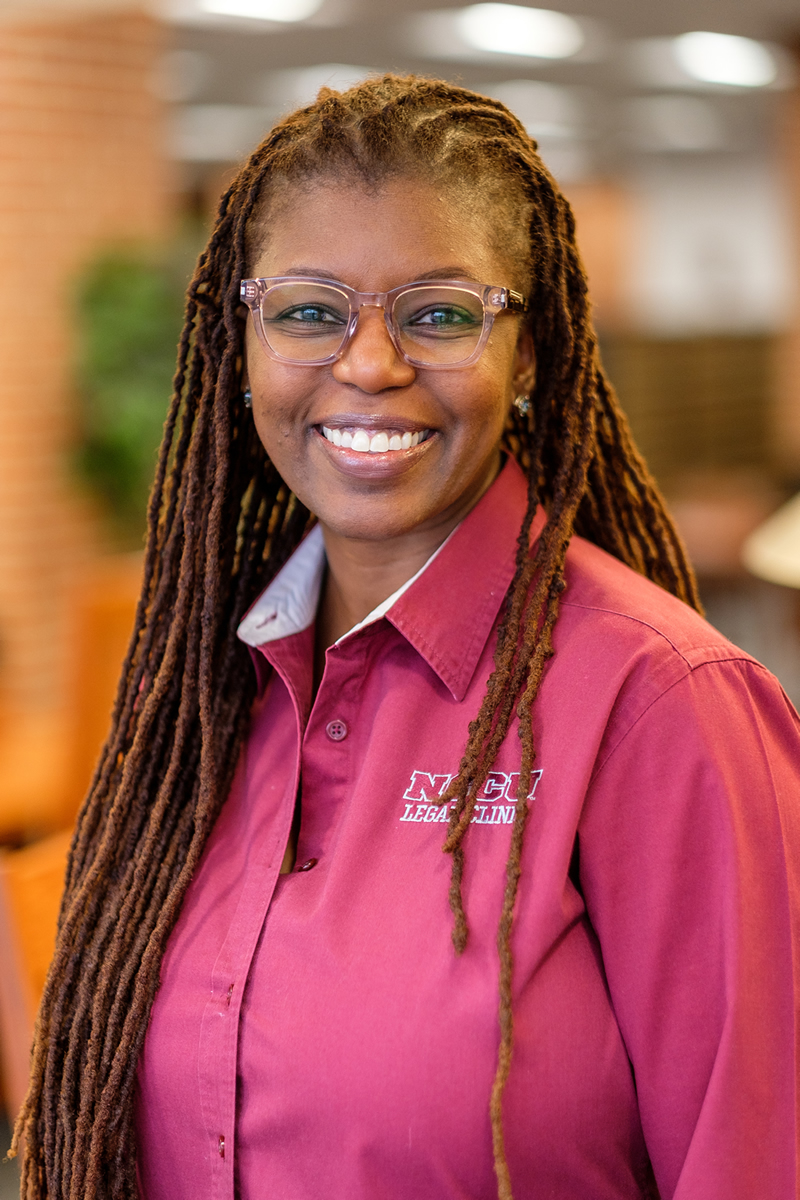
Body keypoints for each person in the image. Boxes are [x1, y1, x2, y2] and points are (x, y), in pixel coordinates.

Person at [13, 75, 800, 1200]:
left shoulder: (659, 704)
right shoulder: (198, 692)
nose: (369, 363)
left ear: (525, 353)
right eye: (307, 309)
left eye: (438, 314)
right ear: (241, 343)